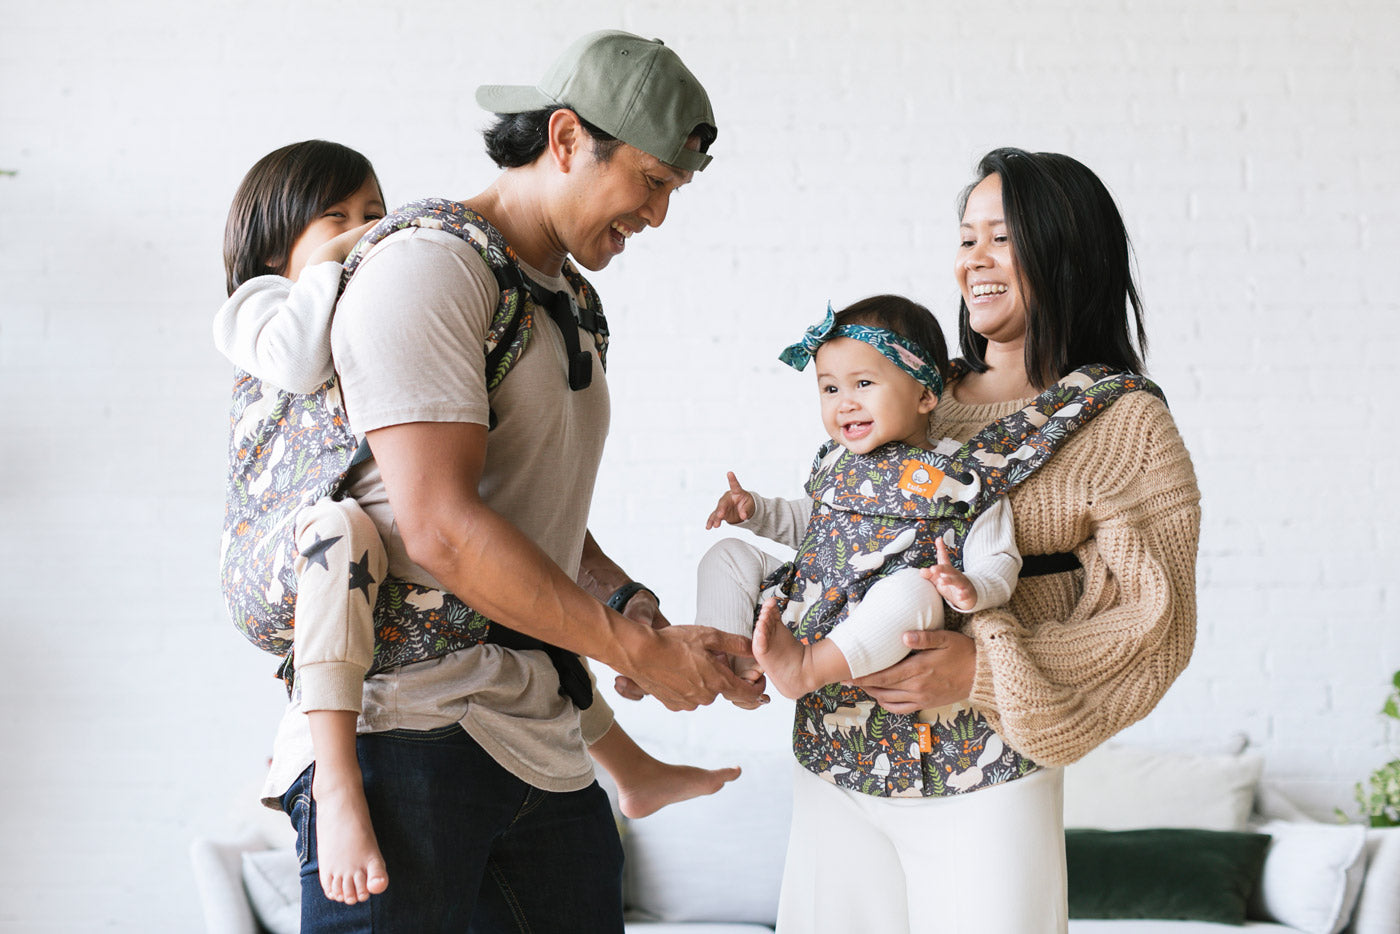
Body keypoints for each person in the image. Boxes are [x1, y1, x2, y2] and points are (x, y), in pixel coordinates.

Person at [250, 32, 763, 933]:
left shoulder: (567, 295)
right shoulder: (430, 267)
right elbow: (441, 527)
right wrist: (628, 652)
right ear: (565, 139)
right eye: (650, 181)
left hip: (540, 747)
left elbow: (538, 512)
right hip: (403, 740)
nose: (659, 216)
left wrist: (633, 609)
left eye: (673, 191)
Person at [772, 149, 1201, 933]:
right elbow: (834, 541)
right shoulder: (907, 392)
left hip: (988, 777)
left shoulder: (1124, 424)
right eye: (966, 237)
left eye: (1000, 238)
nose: (974, 260)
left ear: (1064, 249)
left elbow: (1155, 627)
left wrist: (982, 669)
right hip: (838, 761)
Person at [697, 295, 1023, 702]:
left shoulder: (963, 475)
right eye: (830, 388)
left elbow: (999, 560)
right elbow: (815, 527)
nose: (845, 402)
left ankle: (807, 668)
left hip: (874, 624)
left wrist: (972, 586)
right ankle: (731, 664)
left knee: (915, 590)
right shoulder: (836, 460)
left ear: (924, 395)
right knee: (726, 555)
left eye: (863, 384)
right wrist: (756, 511)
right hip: (809, 598)